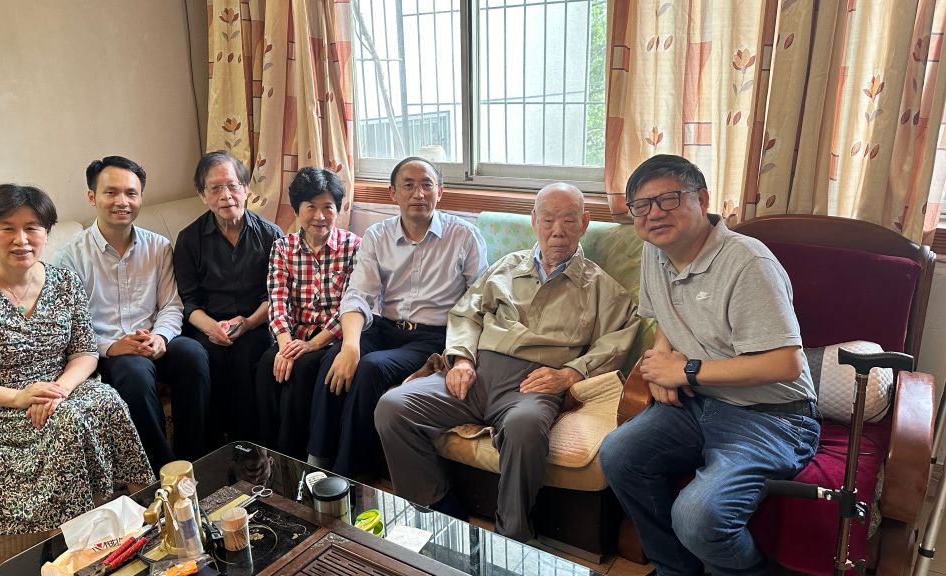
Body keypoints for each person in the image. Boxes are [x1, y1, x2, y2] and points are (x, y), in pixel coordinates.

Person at [376, 182, 639, 542]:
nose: (557, 230)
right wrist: (462, 359)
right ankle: (438, 508)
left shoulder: (601, 287)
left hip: (532, 386)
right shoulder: (505, 266)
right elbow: (466, 313)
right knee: (392, 407)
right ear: (534, 221)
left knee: (524, 429)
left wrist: (570, 374)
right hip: (476, 374)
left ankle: (511, 535)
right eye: (548, 219)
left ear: (584, 223)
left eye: (568, 220)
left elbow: (618, 339)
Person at [598, 154, 820, 575]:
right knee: (618, 454)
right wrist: (661, 363)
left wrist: (686, 371)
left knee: (698, 517)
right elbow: (666, 319)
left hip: (772, 415)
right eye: (641, 205)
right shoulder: (654, 252)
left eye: (668, 199)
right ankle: (675, 569)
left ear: (702, 200)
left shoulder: (748, 262)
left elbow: (786, 364)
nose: (654, 214)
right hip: (699, 403)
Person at [0, 184, 153, 535]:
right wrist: (19, 397)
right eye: (7, 228)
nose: (22, 239)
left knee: (107, 399)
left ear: (46, 232)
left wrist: (57, 391)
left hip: (59, 390)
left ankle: (146, 510)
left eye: (32, 227)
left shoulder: (65, 281)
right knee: (66, 422)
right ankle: (75, 536)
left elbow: (84, 352)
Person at [308, 157, 487, 477]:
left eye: (427, 185)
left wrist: (463, 356)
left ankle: (348, 474)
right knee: (333, 358)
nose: (418, 193)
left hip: (432, 337)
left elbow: (480, 302)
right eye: (408, 185)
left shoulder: (464, 236)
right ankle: (315, 462)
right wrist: (350, 345)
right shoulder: (378, 235)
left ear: (440, 192)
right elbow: (358, 295)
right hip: (384, 328)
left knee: (371, 367)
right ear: (393, 193)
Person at [53, 156, 211, 472]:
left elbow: (171, 304)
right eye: (111, 192)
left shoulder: (159, 247)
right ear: (92, 197)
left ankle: (196, 461)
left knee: (193, 353)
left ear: (140, 197)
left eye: (131, 193)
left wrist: (161, 337)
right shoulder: (69, 257)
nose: (122, 202)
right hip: (107, 352)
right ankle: (162, 473)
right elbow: (70, 326)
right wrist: (112, 346)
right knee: (135, 373)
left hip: (153, 340)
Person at [173, 151, 283, 445]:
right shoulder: (189, 239)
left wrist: (247, 323)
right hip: (208, 324)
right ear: (202, 195)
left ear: (246, 189)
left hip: (255, 323)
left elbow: (276, 294)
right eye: (215, 188)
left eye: (233, 186)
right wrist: (212, 327)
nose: (226, 196)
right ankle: (210, 449)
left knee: (248, 354)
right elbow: (188, 300)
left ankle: (249, 445)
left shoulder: (271, 235)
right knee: (209, 355)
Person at [255, 167, 361, 459]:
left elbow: (351, 305)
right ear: (297, 209)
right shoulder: (283, 248)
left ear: (337, 209)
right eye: (311, 207)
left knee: (302, 370)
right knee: (266, 365)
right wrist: (285, 346)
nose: (320, 216)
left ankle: (295, 457)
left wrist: (313, 344)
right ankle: (266, 453)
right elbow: (277, 300)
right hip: (293, 335)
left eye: (328, 207)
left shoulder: (353, 247)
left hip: (331, 337)